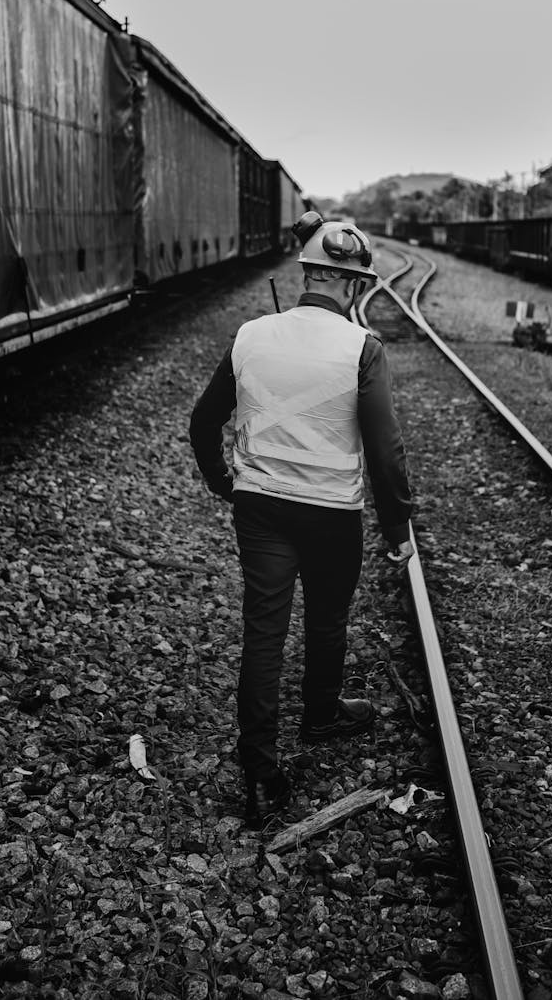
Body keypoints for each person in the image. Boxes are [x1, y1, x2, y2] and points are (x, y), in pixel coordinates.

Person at [189, 212, 413, 829]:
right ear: (354, 285)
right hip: (331, 514)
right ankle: (320, 715)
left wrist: (223, 480)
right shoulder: (362, 349)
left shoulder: (251, 336)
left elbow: (203, 422)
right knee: (327, 615)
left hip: (260, 508)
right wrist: (399, 529)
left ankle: (259, 771)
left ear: (307, 273)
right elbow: (386, 451)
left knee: (264, 632)